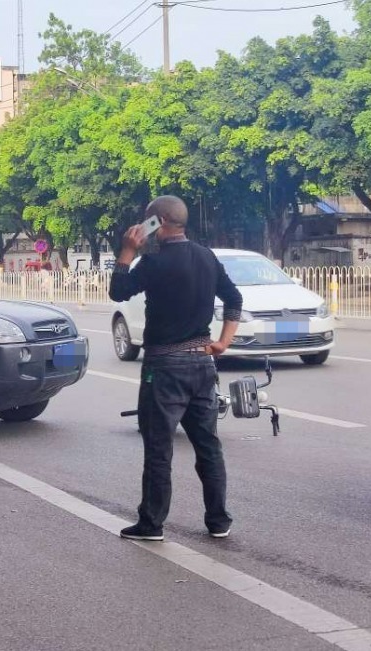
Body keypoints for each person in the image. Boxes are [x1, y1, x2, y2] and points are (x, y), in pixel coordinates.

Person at [109, 195, 244, 541]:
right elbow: (235, 299)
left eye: (148, 220)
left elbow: (118, 291)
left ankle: (152, 524)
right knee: (208, 446)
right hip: (202, 362)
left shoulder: (154, 261)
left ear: (158, 222)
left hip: (164, 367)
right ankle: (219, 521)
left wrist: (128, 249)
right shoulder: (207, 257)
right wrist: (223, 342)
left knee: (159, 448)